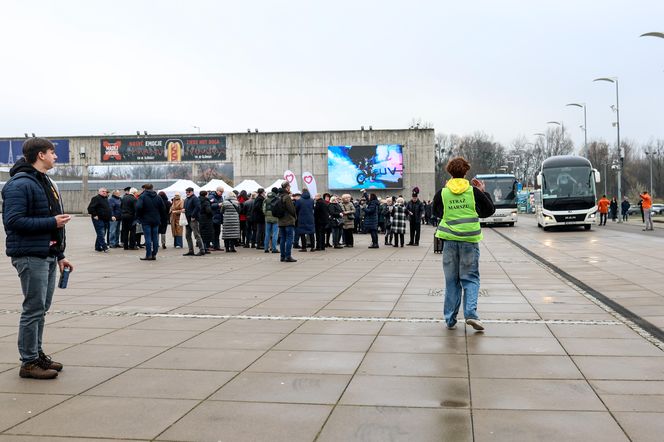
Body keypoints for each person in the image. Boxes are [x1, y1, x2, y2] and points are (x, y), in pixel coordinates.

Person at [2, 138, 73, 379]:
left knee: (41, 309)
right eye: (53, 153)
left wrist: (60, 255)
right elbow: (13, 221)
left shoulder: (43, 182)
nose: (56, 157)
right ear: (41, 155)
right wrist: (52, 222)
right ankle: (28, 362)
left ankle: (37, 355)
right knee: (33, 309)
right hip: (30, 255)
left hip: (47, 253)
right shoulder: (20, 184)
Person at [433, 157, 495, 331]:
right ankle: (471, 315)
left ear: (450, 172)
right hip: (469, 241)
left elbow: (436, 212)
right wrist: (483, 191)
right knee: (470, 279)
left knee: (451, 281)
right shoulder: (472, 192)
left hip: (450, 242)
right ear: (465, 172)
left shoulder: (443, 192)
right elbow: (488, 211)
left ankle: (450, 319)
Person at [135, 183, 167, 261]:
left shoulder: (142, 197)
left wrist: (139, 216)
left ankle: (148, 254)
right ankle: (154, 254)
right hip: (156, 220)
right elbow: (163, 209)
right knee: (155, 237)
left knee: (148, 237)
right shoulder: (158, 197)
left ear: (145, 189)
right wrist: (161, 218)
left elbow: (138, 207)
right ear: (152, 188)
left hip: (146, 220)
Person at [277, 181, 297, 262]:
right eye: (289, 186)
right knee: (289, 238)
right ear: (287, 187)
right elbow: (291, 209)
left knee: (282, 239)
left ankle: (282, 256)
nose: (290, 188)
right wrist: (295, 217)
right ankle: (288, 256)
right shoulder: (287, 197)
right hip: (288, 221)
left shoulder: (279, 196)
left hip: (281, 221)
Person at [87, 187, 111, 252]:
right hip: (98, 219)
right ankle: (104, 247)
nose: (104, 192)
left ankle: (97, 247)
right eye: (103, 191)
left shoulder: (105, 199)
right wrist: (94, 215)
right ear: (99, 192)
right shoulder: (96, 198)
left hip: (105, 219)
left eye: (105, 191)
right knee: (101, 232)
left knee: (102, 233)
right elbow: (90, 208)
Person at [183, 187, 205, 256]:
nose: (187, 193)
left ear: (192, 192)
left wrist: (193, 216)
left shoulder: (195, 198)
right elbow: (186, 208)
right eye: (186, 192)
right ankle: (191, 250)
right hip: (187, 219)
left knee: (197, 235)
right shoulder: (186, 199)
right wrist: (183, 210)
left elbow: (198, 207)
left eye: (188, 192)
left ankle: (202, 250)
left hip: (193, 219)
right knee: (187, 235)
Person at [295, 188, 315, 252]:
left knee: (302, 233)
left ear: (302, 192)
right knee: (311, 233)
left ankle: (304, 247)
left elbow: (296, 209)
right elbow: (312, 208)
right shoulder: (312, 200)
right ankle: (312, 247)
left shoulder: (299, 200)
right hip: (310, 218)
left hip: (302, 218)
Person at [263, 187, 279, 253]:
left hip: (267, 219)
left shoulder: (266, 199)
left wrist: (266, 214)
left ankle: (266, 248)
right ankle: (274, 248)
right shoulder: (277, 199)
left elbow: (263, 209)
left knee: (267, 234)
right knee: (275, 234)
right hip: (276, 218)